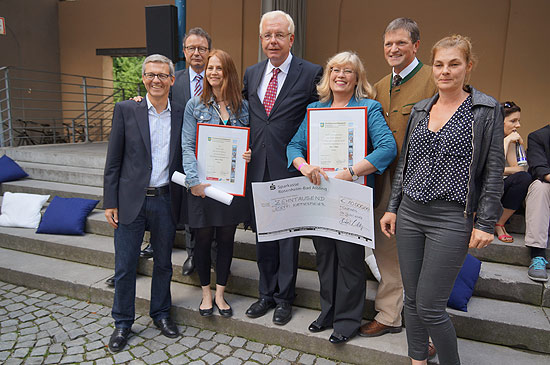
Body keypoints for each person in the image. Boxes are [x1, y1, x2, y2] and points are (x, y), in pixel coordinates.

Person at [381, 35, 504, 365]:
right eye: (439, 64)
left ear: (468, 66)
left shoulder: (485, 109)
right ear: (431, 67)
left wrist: (486, 222)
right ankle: (417, 360)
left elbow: (493, 170)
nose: (445, 71)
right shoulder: (422, 108)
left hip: (451, 217)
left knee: (431, 306)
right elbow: (406, 163)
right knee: (411, 301)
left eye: (454, 64)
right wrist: (393, 208)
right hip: (410, 213)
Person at [286, 51, 396, 344]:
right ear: (327, 76)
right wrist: (304, 165)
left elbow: (387, 148)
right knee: (325, 257)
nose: (340, 75)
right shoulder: (314, 110)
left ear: (357, 78)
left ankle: (347, 321)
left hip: (352, 195)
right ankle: (328, 312)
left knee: (349, 260)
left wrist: (350, 171)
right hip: (321, 195)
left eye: (348, 71)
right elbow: (294, 146)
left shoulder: (369, 109)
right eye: (335, 70)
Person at [242, 10, 323, 325]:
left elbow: (322, 115)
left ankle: (285, 299)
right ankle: (266, 294)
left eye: (279, 35)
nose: (272, 41)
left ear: (291, 38)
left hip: (291, 168)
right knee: (263, 237)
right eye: (267, 35)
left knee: (288, 239)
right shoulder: (251, 74)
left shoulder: (312, 72)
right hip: (257, 170)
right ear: (261, 39)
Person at [360, 17, 437, 341]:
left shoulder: (434, 79)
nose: (393, 49)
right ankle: (390, 314)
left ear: (416, 45)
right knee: (387, 249)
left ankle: (429, 331)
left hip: (424, 182)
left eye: (401, 43)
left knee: (426, 256)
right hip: (385, 182)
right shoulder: (378, 86)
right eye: (388, 43)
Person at [103, 54, 184, 352]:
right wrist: (110, 201)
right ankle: (122, 323)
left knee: (163, 264)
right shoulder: (126, 110)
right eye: (150, 75)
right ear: (143, 78)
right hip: (130, 202)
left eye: (162, 75)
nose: (156, 80)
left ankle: (161, 314)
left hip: (166, 199)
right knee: (125, 265)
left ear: (172, 80)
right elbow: (113, 161)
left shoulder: (181, 112)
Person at [182, 49, 251, 317]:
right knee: (201, 240)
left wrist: (249, 153)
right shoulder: (195, 105)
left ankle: (221, 294)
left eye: (218, 68)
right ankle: (206, 294)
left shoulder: (242, 107)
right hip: (202, 188)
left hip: (229, 189)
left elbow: (249, 142)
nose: (212, 72)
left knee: (226, 239)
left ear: (228, 72)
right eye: (210, 68)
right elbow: (187, 146)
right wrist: (194, 181)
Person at [494, 101, 532, 243]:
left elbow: (519, 169)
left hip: (500, 187)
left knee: (524, 178)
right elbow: (490, 169)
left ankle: (499, 223)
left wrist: (510, 141)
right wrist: (506, 141)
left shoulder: (512, 138)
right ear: (500, 121)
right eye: (513, 121)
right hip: (482, 189)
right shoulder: (484, 137)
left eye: (518, 121)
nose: (518, 125)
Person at [525, 125, 550, 282]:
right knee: (540, 187)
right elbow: (541, 170)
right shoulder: (538, 136)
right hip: (545, 191)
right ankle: (537, 254)